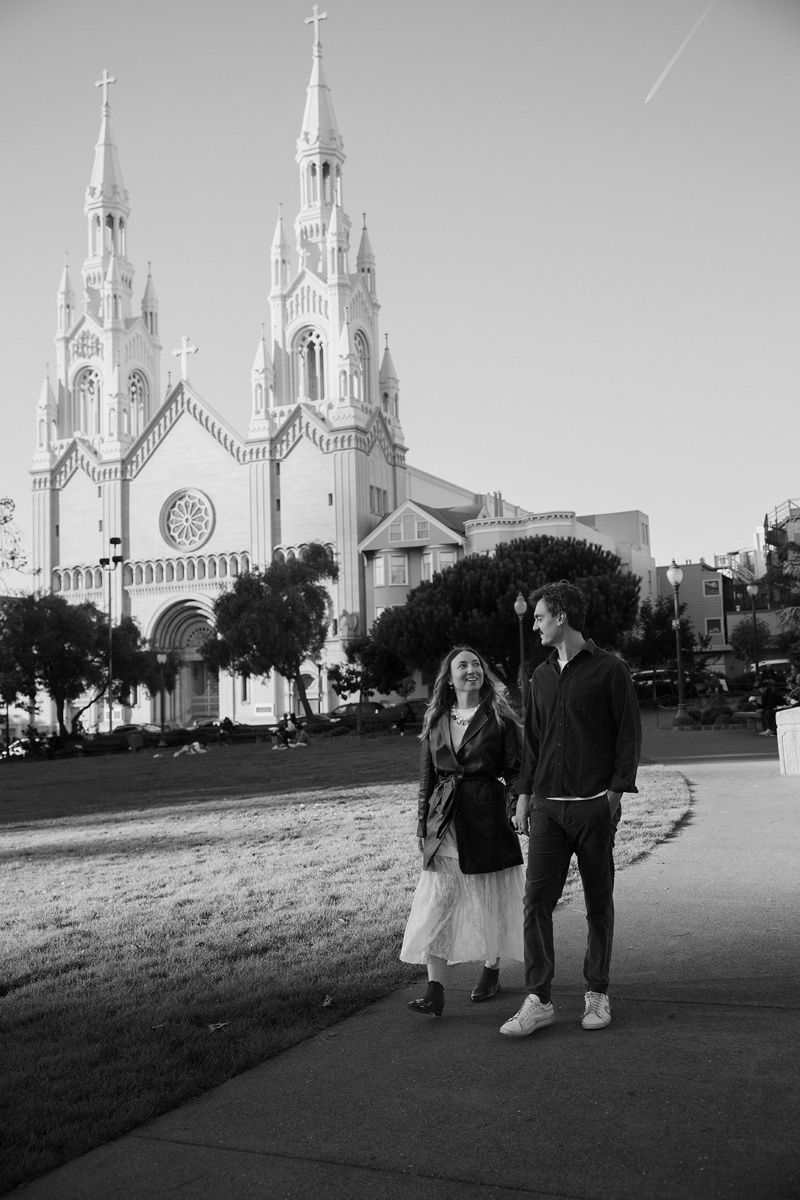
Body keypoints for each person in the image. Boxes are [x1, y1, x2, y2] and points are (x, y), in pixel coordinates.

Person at [500, 580, 641, 1038]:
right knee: (535, 903)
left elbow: (627, 736)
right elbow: (533, 741)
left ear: (561, 617)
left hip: (593, 809)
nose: (535, 624)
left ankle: (597, 992)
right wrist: (523, 795)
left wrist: (614, 795)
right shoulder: (539, 676)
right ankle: (538, 1000)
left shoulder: (609, 670)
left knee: (598, 904)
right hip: (547, 812)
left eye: (539, 616)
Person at [400, 646, 525, 1017]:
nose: (471, 670)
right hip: (445, 820)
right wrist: (421, 824)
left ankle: (491, 969)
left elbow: (516, 770)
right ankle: (435, 988)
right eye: (462, 665)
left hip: (487, 817)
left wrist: (519, 804)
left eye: (476, 665)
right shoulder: (436, 717)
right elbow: (427, 776)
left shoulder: (499, 716)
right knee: (439, 901)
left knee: (490, 899)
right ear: (449, 677)